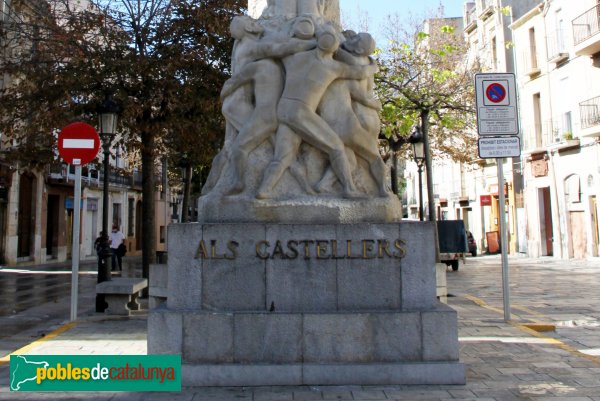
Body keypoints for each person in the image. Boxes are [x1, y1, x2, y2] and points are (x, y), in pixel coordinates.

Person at [254, 26, 378, 199]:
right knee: (336, 147)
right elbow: (360, 72)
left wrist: (304, 41)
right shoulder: (334, 67)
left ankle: (264, 190)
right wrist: (373, 64)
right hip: (301, 112)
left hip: (283, 110)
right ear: (335, 49)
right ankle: (348, 189)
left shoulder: (295, 57)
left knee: (283, 156)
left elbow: (271, 50)